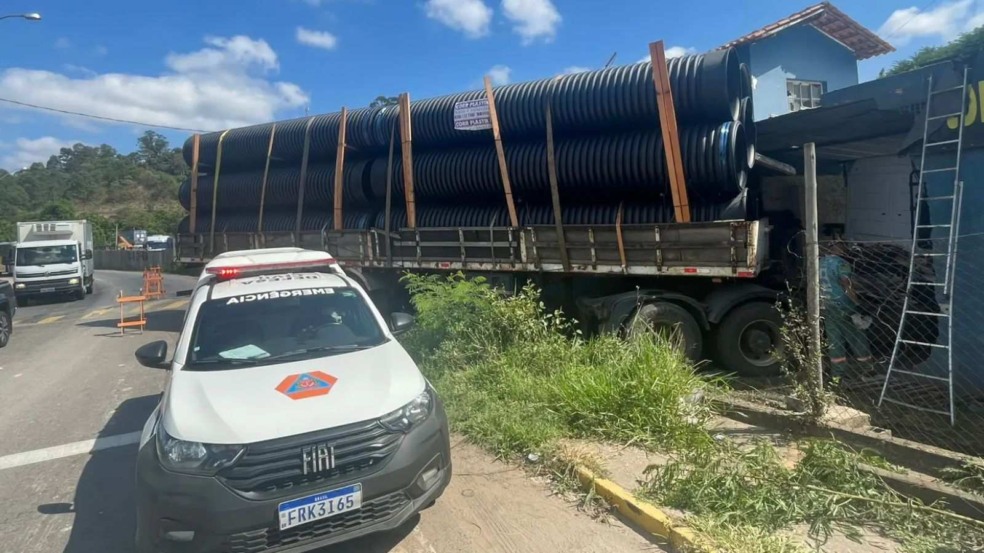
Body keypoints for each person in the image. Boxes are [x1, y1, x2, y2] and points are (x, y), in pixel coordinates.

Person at [819, 240, 873, 379]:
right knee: (857, 336)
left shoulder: (820, 263)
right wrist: (857, 303)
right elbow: (846, 284)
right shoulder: (842, 264)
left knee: (835, 340)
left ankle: (837, 374)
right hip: (844, 305)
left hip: (827, 304)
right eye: (844, 247)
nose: (846, 250)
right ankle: (866, 370)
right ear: (839, 248)